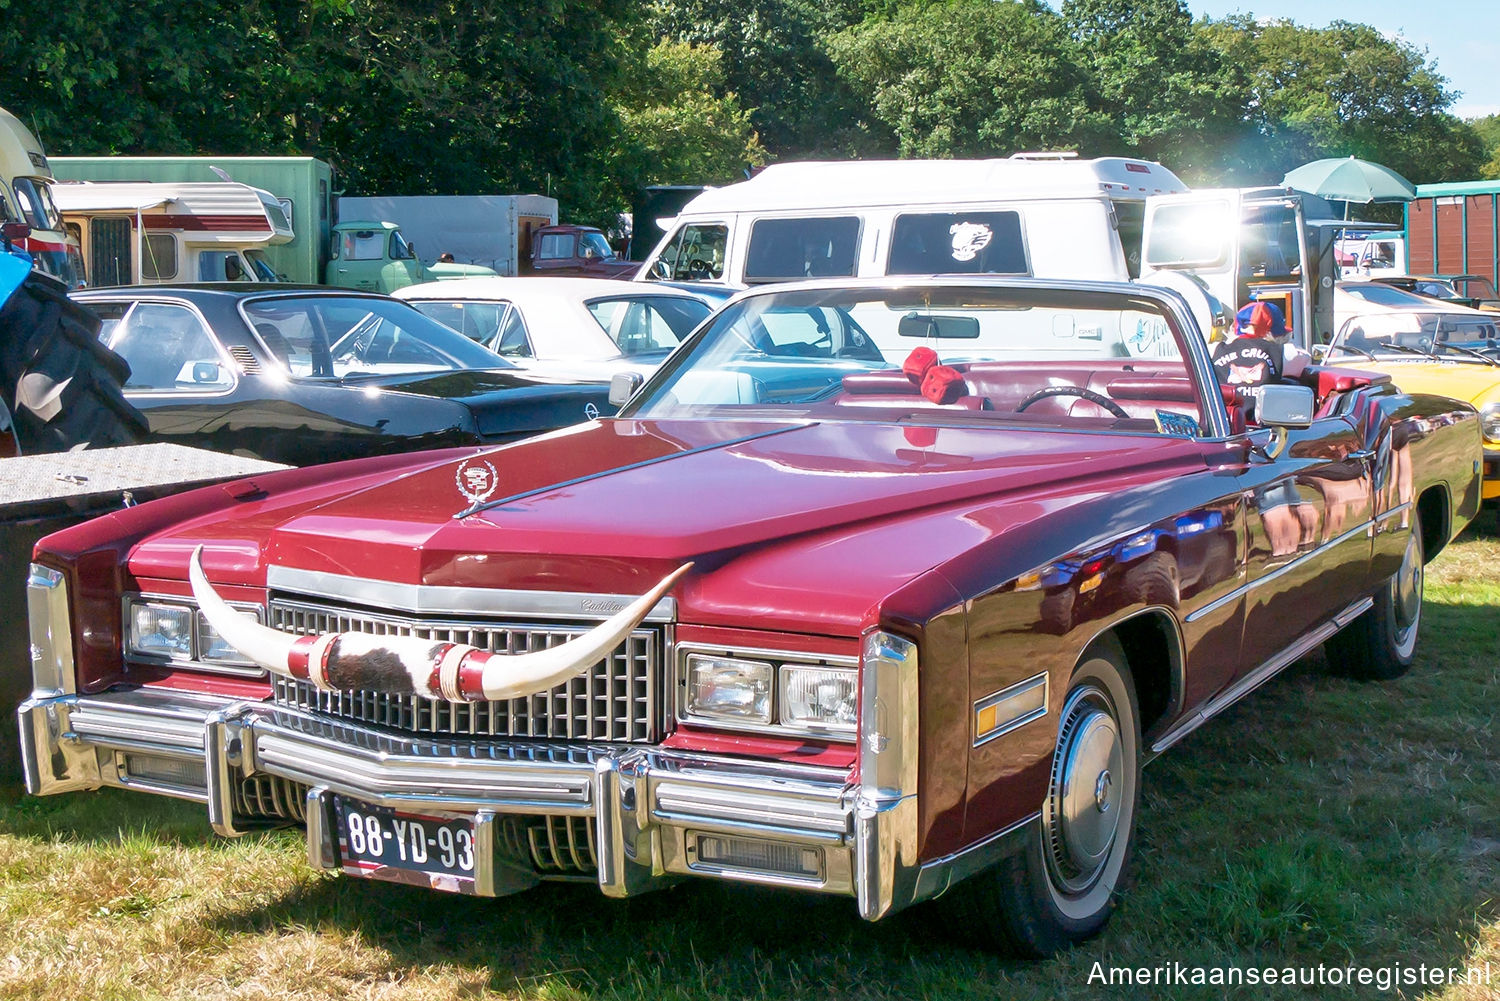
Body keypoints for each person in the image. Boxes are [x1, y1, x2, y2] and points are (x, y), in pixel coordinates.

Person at [1211, 300, 1310, 388]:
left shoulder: (1215, 350)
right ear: (1275, 334)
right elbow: (1306, 359)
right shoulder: (1283, 353)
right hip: (1265, 408)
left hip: (1223, 408)